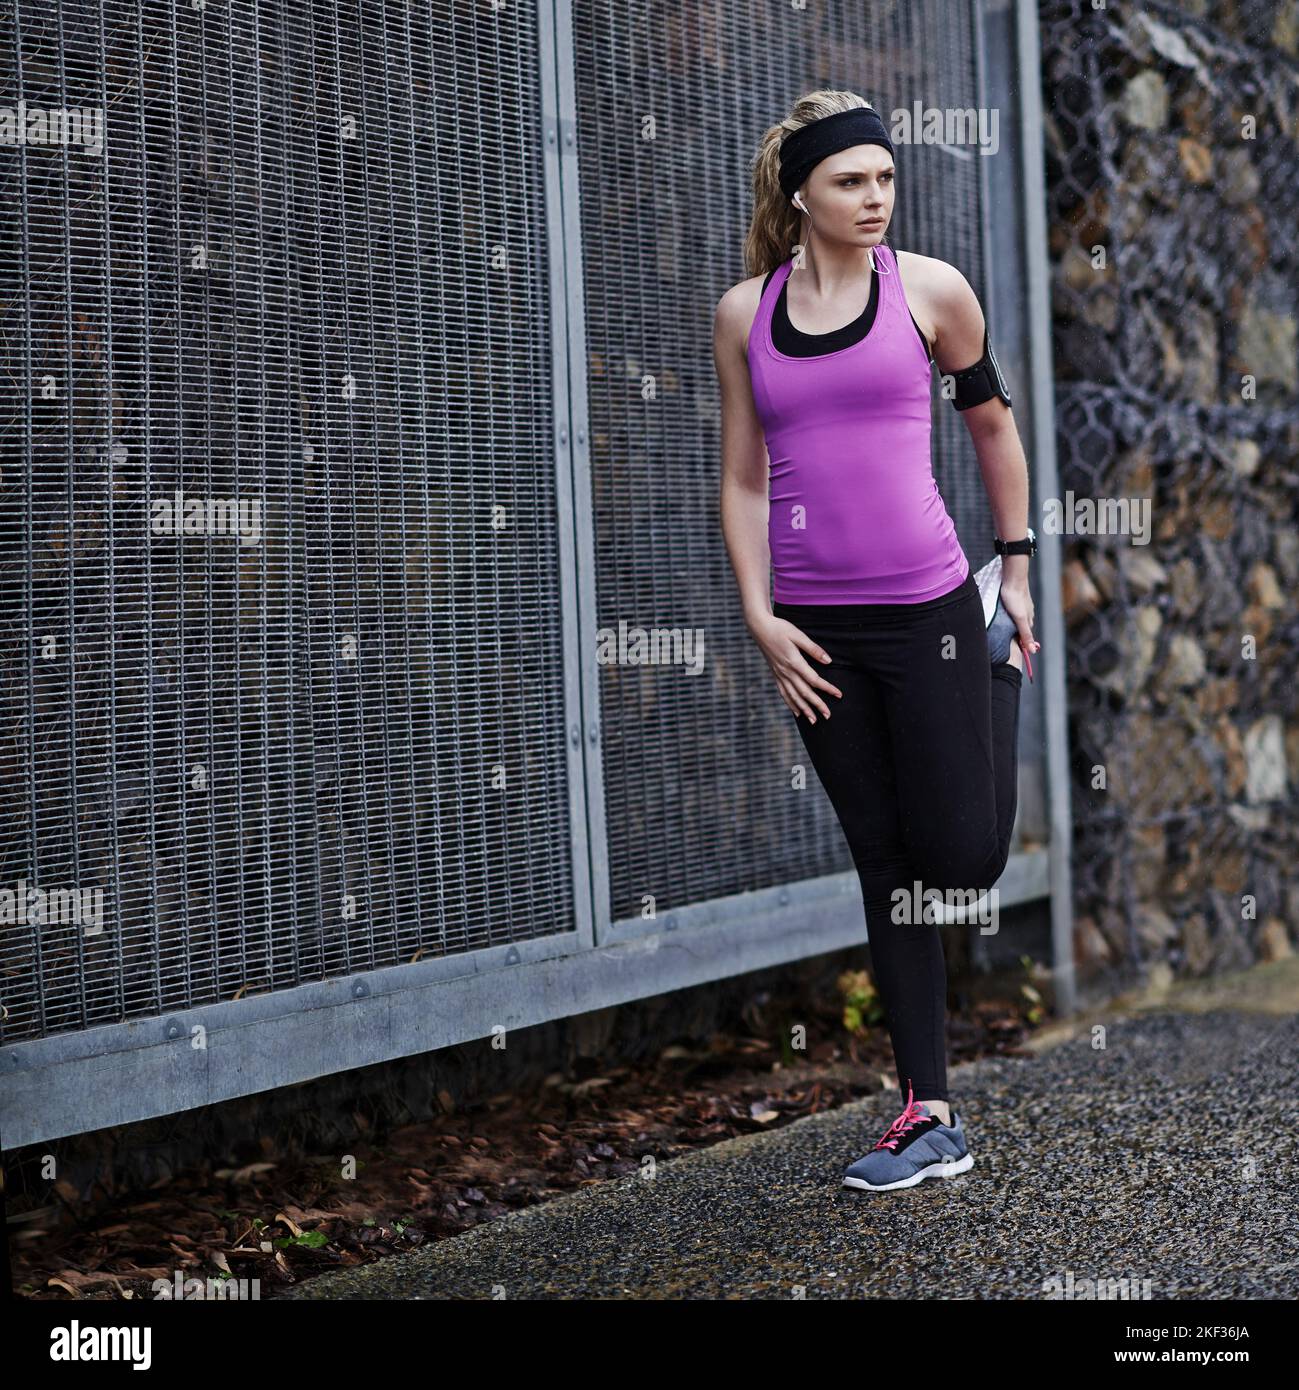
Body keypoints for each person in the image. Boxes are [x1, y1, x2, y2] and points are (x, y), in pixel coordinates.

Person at [713, 91, 1041, 1193]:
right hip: (816, 634)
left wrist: (1020, 562)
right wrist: (761, 617)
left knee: (963, 856)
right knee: (886, 863)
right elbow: (745, 477)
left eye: (885, 180)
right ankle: (929, 1113)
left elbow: (992, 424)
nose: (874, 199)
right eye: (851, 181)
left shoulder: (931, 293)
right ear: (799, 191)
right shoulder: (743, 315)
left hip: (937, 616)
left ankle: (1002, 654)